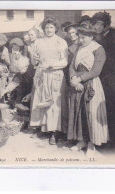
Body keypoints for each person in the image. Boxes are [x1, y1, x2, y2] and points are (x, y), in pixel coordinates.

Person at [68, 25, 109, 155]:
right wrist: (73, 79)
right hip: (77, 84)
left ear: (91, 36)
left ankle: (92, 144)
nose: (81, 40)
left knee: (90, 113)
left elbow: (96, 71)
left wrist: (79, 79)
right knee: (79, 113)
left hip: (91, 83)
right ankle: (81, 141)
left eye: (83, 37)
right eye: (79, 37)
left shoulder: (98, 49)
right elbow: (71, 66)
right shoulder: (79, 48)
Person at [29, 16, 69, 145]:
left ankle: (54, 132)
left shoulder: (61, 42)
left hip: (55, 75)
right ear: (43, 28)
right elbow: (34, 62)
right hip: (41, 74)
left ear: (56, 28)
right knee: (40, 100)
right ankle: (43, 127)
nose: (49, 30)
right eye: (47, 27)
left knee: (53, 103)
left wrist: (51, 64)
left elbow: (64, 62)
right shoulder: (38, 42)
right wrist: (34, 59)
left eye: (52, 27)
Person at [91, 11, 115, 147]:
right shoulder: (100, 36)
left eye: (98, 24)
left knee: (111, 108)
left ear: (105, 25)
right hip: (102, 78)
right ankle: (105, 138)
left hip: (112, 79)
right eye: (94, 24)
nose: (95, 27)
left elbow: (114, 61)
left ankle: (114, 141)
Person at [0, 38, 35, 112]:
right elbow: (14, 82)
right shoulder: (20, 73)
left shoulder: (31, 71)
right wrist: (5, 90)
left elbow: (36, 87)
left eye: (22, 68)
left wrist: (30, 94)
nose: (21, 70)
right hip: (24, 95)